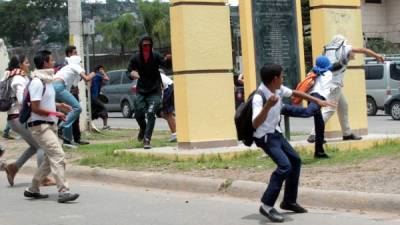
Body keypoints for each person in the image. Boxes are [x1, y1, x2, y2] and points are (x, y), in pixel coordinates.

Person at [253, 64, 334, 222]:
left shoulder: (277, 88)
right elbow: (255, 124)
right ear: (275, 79)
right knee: (285, 166)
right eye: (281, 76)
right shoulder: (259, 97)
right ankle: (266, 206)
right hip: (264, 136)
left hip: (275, 133)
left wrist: (316, 99)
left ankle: (289, 201)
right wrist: (267, 106)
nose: (283, 79)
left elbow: (295, 93)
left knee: (295, 161)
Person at [24, 50, 79, 203]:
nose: (54, 62)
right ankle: (63, 191)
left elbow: (43, 102)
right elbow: (35, 108)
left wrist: (59, 106)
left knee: (49, 160)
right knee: (58, 156)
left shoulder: (46, 81)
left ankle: (32, 189)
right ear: (45, 63)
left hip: (48, 125)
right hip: (40, 127)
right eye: (52, 60)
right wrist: (55, 114)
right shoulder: (37, 82)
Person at [307, 34, 384, 143]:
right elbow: (362, 49)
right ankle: (314, 134)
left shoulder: (328, 49)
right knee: (329, 110)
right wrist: (376, 56)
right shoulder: (344, 48)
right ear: (343, 42)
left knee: (343, 106)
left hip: (328, 82)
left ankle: (347, 133)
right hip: (334, 85)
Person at [2, 55, 55, 186]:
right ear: (20, 65)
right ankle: (43, 178)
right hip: (19, 118)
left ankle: (13, 167)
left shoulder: (10, 76)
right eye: (26, 62)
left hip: (14, 119)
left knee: (34, 146)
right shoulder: (18, 79)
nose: (28, 65)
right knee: (41, 146)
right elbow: (22, 100)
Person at [281, 56, 334, 158]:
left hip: (311, 97)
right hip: (318, 97)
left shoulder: (314, 71)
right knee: (308, 113)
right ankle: (283, 108)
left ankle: (319, 152)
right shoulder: (328, 73)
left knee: (320, 124)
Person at [127, 35, 171, 149]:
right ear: (140, 47)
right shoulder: (135, 58)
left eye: (149, 45)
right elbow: (129, 71)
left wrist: (169, 59)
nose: (147, 47)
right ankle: (143, 127)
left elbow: (166, 65)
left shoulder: (156, 56)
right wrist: (132, 74)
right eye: (144, 45)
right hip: (141, 90)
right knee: (138, 113)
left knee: (151, 113)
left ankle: (147, 139)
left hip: (154, 90)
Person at [53, 55, 95, 148]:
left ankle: (67, 141)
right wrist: (95, 72)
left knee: (69, 112)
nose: (81, 64)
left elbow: (75, 84)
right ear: (77, 62)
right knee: (77, 108)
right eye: (80, 62)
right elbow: (87, 78)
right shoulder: (75, 66)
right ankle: (61, 127)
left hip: (55, 88)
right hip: (59, 87)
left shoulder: (67, 69)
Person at [91, 65, 110, 130]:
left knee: (94, 111)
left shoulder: (96, 76)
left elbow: (103, 83)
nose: (102, 70)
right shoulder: (98, 75)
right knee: (103, 108)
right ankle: (105, 126)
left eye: (103, 69)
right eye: (101, 69)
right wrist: (103, 73)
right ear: (98, 70)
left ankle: (90, 123)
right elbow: (107, 79)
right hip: (94, 97)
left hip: (94, 97)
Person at [159, 72, 176, 142]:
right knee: (164, 114)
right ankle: (176, 132)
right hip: (169, 87)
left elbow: (160, 87)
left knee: (167, 114)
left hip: (169, 88)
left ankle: (175, 135)